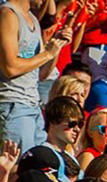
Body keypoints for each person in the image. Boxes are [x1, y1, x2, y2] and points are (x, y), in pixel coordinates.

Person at [0, 0, 70, 151]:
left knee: (36, 168)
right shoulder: (7, 15)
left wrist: (56, 47)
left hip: (33, 107)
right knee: (15, 169)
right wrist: (47, 54)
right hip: (12, 105)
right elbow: (10, 68)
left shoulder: (33, 20)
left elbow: (42, 74)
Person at [41, 95, 84, 182]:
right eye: (72, 124)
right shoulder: (43, 154)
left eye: (80, 124)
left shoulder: (70, 157)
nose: (77, 129)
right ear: (53, 121)